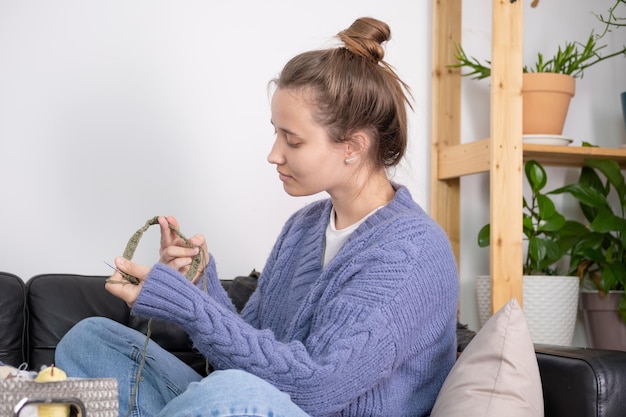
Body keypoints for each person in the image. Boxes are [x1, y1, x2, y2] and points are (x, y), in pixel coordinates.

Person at [56, 16, 458, 417]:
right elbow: (247, 351)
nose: (274, 154)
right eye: (276, 133)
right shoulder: (303, 227)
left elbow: (316, 389)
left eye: (293, 140)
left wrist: (191, 308)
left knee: (231, 392)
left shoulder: (412, 252)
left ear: (353, 146)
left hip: (297, 406)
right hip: (257, 401)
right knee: (91, 340)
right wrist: (201, 286)